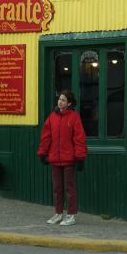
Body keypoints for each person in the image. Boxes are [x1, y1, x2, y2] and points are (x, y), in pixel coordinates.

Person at [37, 90, 87, 226]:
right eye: (59, 99)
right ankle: (58, 213)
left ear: (69, 103)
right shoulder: (52, 117)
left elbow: (79, 138)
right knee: (57, 188)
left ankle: (70, 215)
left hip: (69, 160)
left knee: (69, 189)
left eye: (63, 100)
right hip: (55, 159)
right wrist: (42, 153)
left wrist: (80, 157)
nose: (60, 102)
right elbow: (46, 137)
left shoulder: (74, 117)